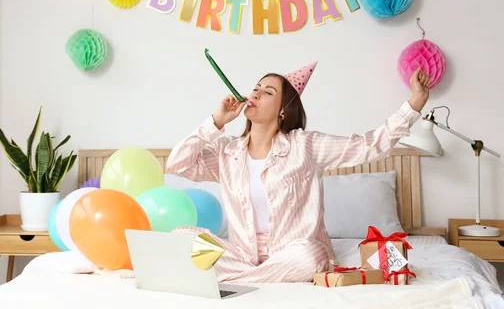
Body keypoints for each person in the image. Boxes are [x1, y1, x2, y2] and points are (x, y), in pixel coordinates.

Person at [166, 62, 431, 283]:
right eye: (256, 89)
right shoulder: (228, 153)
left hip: (293, 254)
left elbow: (370, 145)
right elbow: (177, 164)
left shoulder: (305, 146)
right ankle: (258, 277)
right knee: (180, 237)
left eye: (267, 92)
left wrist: (415, 102)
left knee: (310, 255)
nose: (255, 94)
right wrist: (216, 121)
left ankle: (232, 279)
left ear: (283, 110)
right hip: (242, 255)